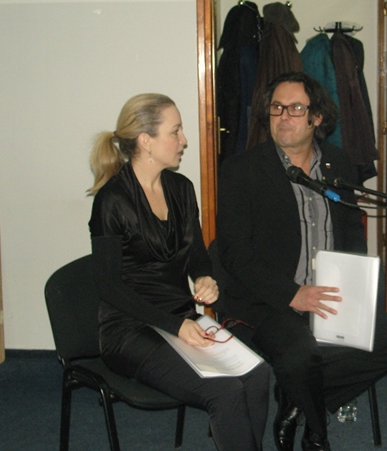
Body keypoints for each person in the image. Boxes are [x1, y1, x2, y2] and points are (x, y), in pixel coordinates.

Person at [215, 73, 387, 451]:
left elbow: (352, 233)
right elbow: (234, 254)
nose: (283, 117)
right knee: (300, 356)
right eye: (276, 108)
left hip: (327, 296)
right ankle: (317, 436)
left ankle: (295, 399)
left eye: (295, 108)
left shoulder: (339, 164)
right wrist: (292, 294)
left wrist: (354, 286)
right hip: (269, 300)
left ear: (316, 117)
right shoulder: (241, 170)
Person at [87, 93, 269, 451]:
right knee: (225, 390)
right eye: (175, 131)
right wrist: (175, 325)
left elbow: (197, 256)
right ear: (146, 141)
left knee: (258, 374)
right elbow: (108, 286)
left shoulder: (182, 189)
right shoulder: (112, 201)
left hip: (180, 319)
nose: (184, 140)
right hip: (130, 329)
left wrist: (205, 277)